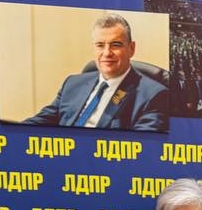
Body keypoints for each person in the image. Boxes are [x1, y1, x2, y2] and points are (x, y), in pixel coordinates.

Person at [23, 13, 168, 131]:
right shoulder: (72, 84)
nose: (107, 53)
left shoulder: (153, 96)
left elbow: (143, 146)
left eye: (115, 45)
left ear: (131, 49)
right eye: (100, 45)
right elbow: (40, 122)